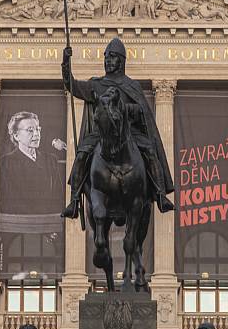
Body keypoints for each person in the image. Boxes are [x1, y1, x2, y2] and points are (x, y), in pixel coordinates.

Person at [61, 36, 174, 219]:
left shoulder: (132, 85)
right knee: (82, 154)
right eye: (106, 57)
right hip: (101, 134)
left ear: (121, 61)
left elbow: (141, 111)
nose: (108, 61)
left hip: (129, 132)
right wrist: (66, 63)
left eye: (112, 57)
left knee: (150, 152)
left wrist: (125, 109)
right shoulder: (96, 84)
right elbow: (72, 86)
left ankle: (160, 195)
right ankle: (74, 200)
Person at [0, 110, 65, 215]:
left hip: (48, 224)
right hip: (17, 224)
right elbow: (5, 201)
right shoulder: (5, 163)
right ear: (16, 136)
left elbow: (59, 198)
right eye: (30, 130)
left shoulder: (51, 160)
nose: (36, 134)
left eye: (38, 129)